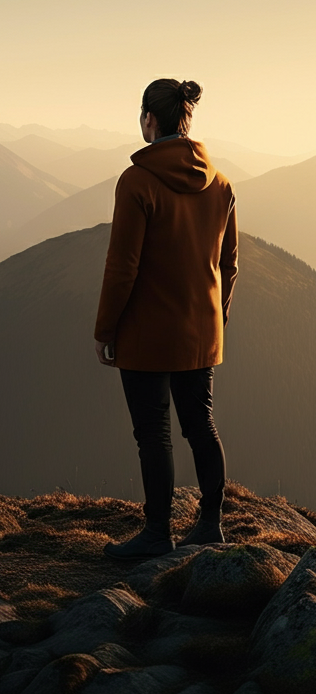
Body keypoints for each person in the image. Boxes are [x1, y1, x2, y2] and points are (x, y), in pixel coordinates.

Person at [94, 79, 238, 560]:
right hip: (200, 332)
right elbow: (229, 263)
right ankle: (211, 525)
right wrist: (216, 317)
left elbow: (123, 268)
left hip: (147, 334)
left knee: (153, 432)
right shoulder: (220, 183)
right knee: (202, 425)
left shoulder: (136, 182)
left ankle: (158, 533)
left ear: (149, 120)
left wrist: (106, 330)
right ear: (187, 119)